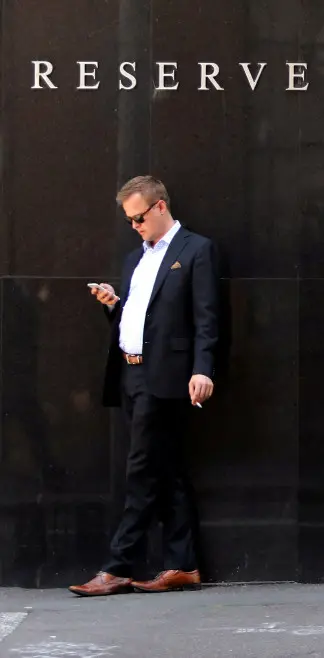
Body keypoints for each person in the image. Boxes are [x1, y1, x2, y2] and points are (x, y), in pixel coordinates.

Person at [69, 176, 219, 596]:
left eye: (138, 217)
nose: (134, 226)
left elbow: (207, 319)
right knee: (166, 470)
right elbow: (142, 318)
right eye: (129, 220)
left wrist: (202, 369)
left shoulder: (196, 250)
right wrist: (114, 306)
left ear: (159, 207)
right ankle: (183, 565)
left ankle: (118, 566)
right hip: (131, 374)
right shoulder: (136, 258)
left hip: (165, 378)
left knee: (141, 472)